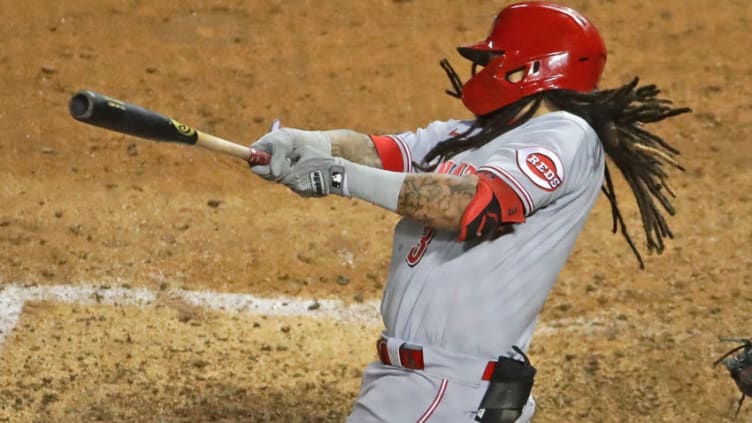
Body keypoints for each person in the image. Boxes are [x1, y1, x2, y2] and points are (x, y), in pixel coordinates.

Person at [249, 2, 691, 422]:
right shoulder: (476, 135)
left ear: (531, 66)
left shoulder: (564, 134)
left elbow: (469, 205)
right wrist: (308, 143)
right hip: (429, 384)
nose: (482, 70)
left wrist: (338, 177)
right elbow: (380, 151)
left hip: (446, 391)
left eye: (494, 58)